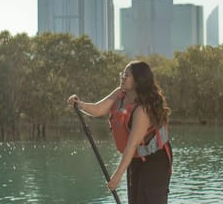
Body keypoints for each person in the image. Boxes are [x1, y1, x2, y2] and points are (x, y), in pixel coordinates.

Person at [67, 60, 173, 203]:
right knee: (135, 200)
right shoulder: (120, 94)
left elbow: (132, 144)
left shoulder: (142, 109)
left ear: (137, 80)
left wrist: (117, 176)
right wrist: (79, 104)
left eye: (126, 75)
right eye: (122, 74)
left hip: (155, 160)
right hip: (135, 158)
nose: (122, 77)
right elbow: (98, 109)